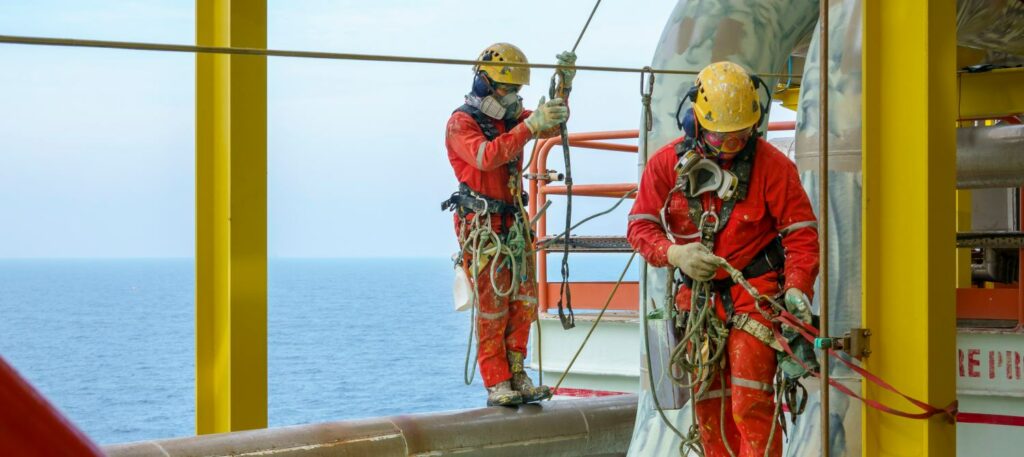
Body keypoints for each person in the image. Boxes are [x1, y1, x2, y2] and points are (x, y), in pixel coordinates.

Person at [626, 61, 819, 456]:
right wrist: (674, 253)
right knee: (708, 407)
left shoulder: (773, 166)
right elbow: (640, 228)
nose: (732, 148)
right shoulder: (666, 165)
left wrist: (798, 287)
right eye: (721, 138)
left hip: (755, 292)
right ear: (695, 121)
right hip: (697, 300)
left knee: (751, 403)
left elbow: (801, 234)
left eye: (741, 137)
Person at [443, 43, 576, 406]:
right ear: (485, 84)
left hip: (513, 226)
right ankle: (497, 381)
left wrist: (562, 90)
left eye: (517, 91)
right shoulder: (462, 123)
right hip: (484, 228)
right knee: (492, 306)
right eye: (507, 89)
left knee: (522, 302)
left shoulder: (511, 121)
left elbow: (554, 124)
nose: (513, 96)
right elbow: (487, 156)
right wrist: (529, 126)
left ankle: (517, 371)